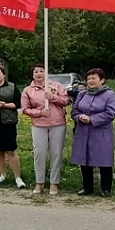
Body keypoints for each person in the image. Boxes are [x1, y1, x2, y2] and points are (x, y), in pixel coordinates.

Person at [21, 64, 69, 195]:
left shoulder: (56, 86)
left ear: (46, 73)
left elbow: (66, 101)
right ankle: (40, 182)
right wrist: (40, 113)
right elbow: (25, 109)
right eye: (36, 71)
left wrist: (52, 97)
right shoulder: (28, 90)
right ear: (32, 75)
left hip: (57, 123)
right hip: (39, 125)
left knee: (56, 153)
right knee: (39, 153)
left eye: (42, 71)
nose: (39, 73)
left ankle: (54, 183)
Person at [71, 68, 115, 197]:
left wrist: (92, 119)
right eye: (89, 79)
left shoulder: (109, 95)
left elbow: (111, 113)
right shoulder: (82, 94)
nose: (90, 81)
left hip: (101, 132)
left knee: (104, 160)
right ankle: (87, 187)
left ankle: (106, 188)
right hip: (83, 132)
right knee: (84, 160)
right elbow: (74, 112)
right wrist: (79, 117)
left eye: (94, 78)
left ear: (102, 80)